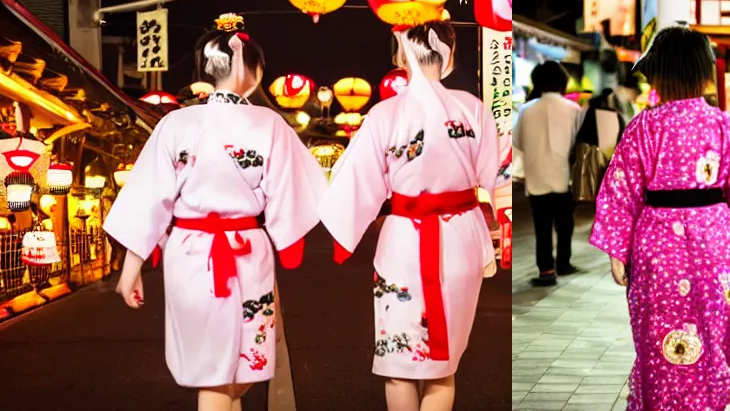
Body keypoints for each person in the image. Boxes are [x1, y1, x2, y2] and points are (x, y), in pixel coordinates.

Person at [103, 30, 326, 411]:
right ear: (252, 72)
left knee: (219, 374)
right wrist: (285, 232)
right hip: (246, 251)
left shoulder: (176, 125)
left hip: (190, 256)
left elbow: (148, 197)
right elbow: (297, 190)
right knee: (227, 377)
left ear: (205, 69)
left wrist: (131, 266)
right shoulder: (269, 125)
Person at [591, 27, 730, 411]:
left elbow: (621, 191)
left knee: (656, 333)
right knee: (713, 334)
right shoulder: (725, 126)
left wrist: (617, 250)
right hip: (715, 244)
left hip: (655, 246)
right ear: (704, 73)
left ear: (656, 75)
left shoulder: (643, 126)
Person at [320, 20, 499, 411]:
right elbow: (497, 178)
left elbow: (357, 179)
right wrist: (499, 223)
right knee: (443, 366)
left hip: (405, 239)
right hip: (460, 238)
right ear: (449, 56)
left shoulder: (385, 114)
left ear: (402, 55)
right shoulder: (473, 109)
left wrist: (341, 235)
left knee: (398, 364)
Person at [512, 60, 585, 286]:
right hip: (566, 176)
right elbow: (580, 144)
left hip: (538, 175)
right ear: (562, 82)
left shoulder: (526, 110)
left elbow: (517, 142)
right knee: (565, 223)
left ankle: (546, 270)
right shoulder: (574, 110)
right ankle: (564, 262)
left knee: (541, 225)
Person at [570, 88, 624, 202]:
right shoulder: (617, 116)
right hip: (611, 163)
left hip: (592, 163)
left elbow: (581, 137)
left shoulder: (590, 115)